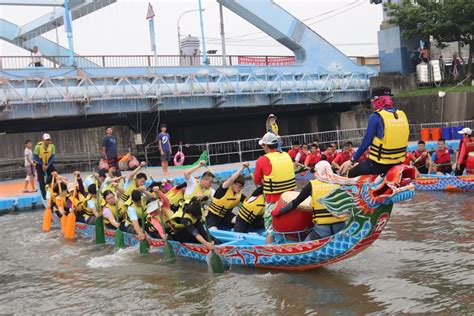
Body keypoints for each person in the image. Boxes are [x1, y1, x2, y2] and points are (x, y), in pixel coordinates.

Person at [344, 86, 409, 177]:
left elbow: (365, 143)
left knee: (352, 173)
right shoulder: (402, 115)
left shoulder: (376, 116)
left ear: (376, 100)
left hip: (379, 164)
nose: (371, 102)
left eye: (372, 99)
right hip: (399, 161)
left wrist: (351, 160)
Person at [254, 132, 296, 244]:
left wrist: (265, 179)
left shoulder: (262, 160)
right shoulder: (286, 155)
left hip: (273, 201)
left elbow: (257, 181)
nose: (262, 147)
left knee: (270, 230)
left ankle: (269, 252)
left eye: (263, 145)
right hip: (290, 201)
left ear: (266, 146)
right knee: (289, 227)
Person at [272, 178, 347, 241]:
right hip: (340, 227)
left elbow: (296, 202)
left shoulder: (312, 185)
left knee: (303, 246)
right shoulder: (339, 182)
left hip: (322, 231)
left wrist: (280, 211)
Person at [207, 163, 247, 230]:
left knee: (240, 222)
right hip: (213, 216)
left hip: (226, 216)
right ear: (232, 184)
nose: (239, 188)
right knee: (213, 229)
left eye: (241, 186)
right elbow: (231, 179)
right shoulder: (223, 189)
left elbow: (249, 202)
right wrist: (242, 168)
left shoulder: (239, 195)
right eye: (238, 185)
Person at [34, 133, 56, 199]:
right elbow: (35, 157)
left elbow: (52, 157)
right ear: (43, 140)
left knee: (54, 175)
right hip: (40, 163)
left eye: (48, 140)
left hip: (49, 162)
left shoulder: (52, 146)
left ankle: (54, 191)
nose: (47, 141)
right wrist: (42, 164)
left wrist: (48, 165)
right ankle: (44, 195)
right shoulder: (38, 146)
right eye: (46, 140)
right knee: (41, 179)